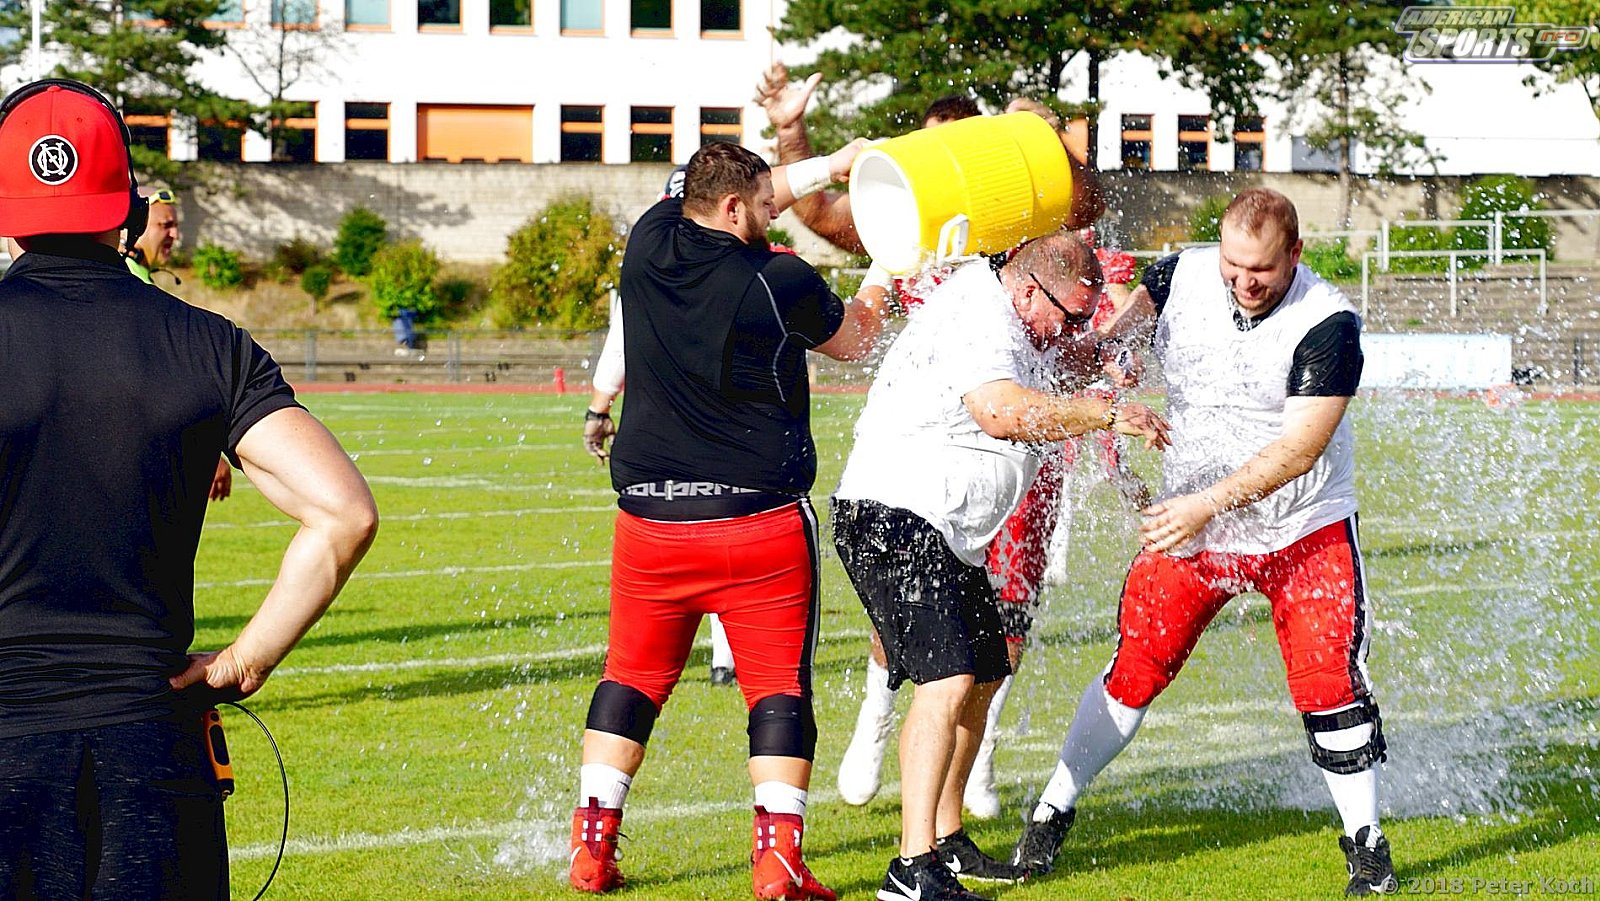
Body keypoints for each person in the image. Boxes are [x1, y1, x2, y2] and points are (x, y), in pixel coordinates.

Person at [0, 78, 378, 899]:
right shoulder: (208, 343)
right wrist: (245, 659)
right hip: (154, 747)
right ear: (129, 208)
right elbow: (342, 512)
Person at [752, 65, 1121, 824]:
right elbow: (824, 215)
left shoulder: (1020, 222)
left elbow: (1088, 206)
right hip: (939, 441)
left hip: (1023, 438)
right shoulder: (916, 229)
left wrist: (1043, 143)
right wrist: (792, 131)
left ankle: (976, 759)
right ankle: (877, 715)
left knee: (1006, 612)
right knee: (920, 602)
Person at [1010, 188, 1396, 897]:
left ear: (1296, 254)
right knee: (1134, 670)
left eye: (1262, 270)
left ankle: (1367, 846)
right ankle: (1052, 810)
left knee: (1328, 683)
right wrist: (1115, 362)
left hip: (1300, 526)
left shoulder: (1328, 321)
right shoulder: (1178, 274)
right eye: (1233, 265)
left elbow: (1300, 449)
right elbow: (1109, 344)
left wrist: (1203, 504)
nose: (1244, 282)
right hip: (1196, 524)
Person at [569, 138, 891, 900]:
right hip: (758, 524)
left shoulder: (648, 242)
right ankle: (777, 861)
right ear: (735, 207)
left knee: (629, 678)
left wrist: (831, 165)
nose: (778, 210)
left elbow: (736, 189)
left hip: (649, 522)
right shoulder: (779, 278)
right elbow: (858, 339)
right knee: (778, 689)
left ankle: (591, 846)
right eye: (767, 204)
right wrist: (888, 264)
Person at [833, 234, 1169, 901]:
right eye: (1071, 316)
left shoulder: (1024, 310)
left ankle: (947, 838)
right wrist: (1105, 412)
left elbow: (1058, 360)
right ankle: (911, 868)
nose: (1072, 330)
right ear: (1029, 289)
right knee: (947, 680)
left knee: (985, 673)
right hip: (894, 511)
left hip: (943, 526)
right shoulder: (980, 313)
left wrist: (1103, 354)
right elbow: (1002, 411)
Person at [583, 165, 740, 687]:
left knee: (667, 543)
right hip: (735, 434)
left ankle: (643, 672)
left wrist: (599, 407)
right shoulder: (751, 263)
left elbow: (621, 341)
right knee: (729, 534)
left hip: (662, 436)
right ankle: (725, 658)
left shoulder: (649, 262)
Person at [119, 185, 235, 503]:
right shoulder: (129, 284)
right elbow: (145, 383)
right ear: (133, 230)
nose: (175, 235)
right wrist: (205, 449)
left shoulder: (133, 278)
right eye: (165, 225)